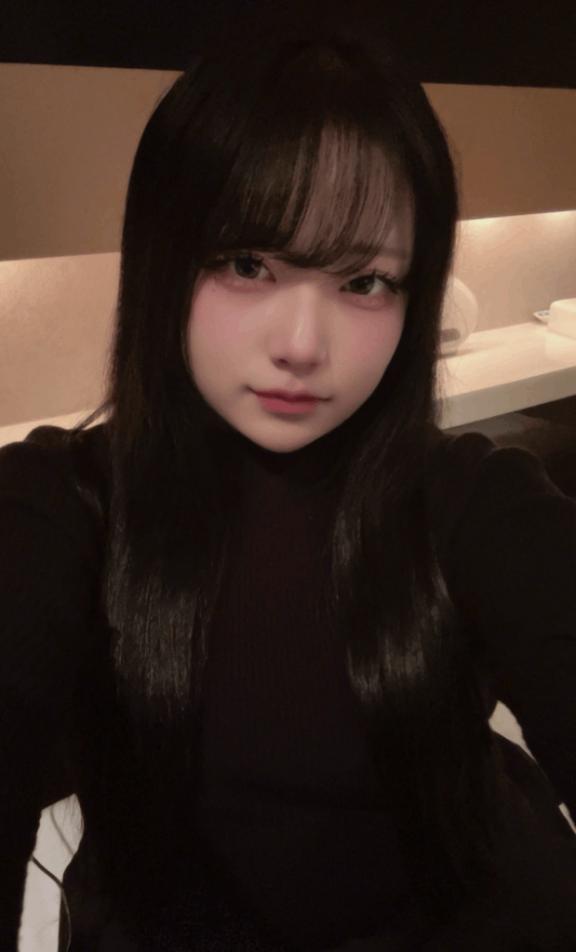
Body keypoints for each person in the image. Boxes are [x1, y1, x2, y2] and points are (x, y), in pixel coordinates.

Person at [1, 4, 576, 950]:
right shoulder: (63, 507)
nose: (303, 346)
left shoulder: (475, 503)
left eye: (364, 282)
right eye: (247, 263)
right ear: (162, 260)